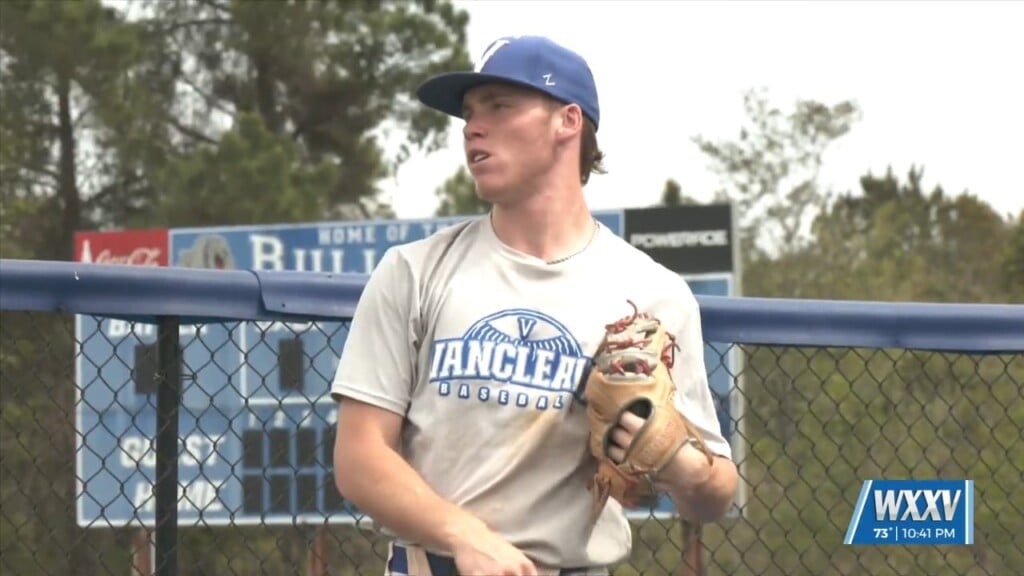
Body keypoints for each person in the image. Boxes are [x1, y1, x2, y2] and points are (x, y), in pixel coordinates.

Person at [330, 34, 739, 576]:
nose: (473, 128)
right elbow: (359, 459)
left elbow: (716, 497)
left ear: (568, 121)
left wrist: (686, 469)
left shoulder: (653, 293)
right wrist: (466, 535)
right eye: (470, 114)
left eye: (500, 107)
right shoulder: (415, 270)